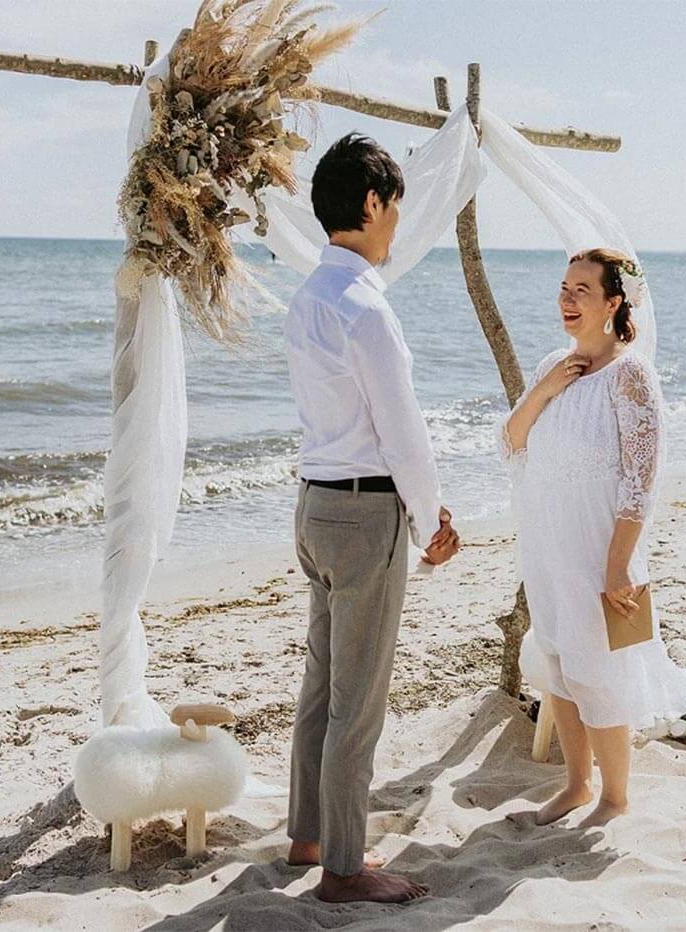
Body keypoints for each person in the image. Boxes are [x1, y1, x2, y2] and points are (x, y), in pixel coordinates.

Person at [283, 133, 459, 904]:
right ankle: (345, 869)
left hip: (315, 505)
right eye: (395, 207)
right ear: (371, 203)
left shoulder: (307, 298)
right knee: (359, 699)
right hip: (363, 513)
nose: (398, 225)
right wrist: (430, 519)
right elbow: (402, 430)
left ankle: (308, 833)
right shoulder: (364, 308)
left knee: (323, 683)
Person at [500, 248, 686, 829]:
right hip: (548, 545)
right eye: (563, 286)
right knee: (559, 664)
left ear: (614, 302)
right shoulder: (551, 367)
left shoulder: (631, 375)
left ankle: (615, 796)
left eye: (582, 289)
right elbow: (512, 441)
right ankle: (576, 784)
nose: (567, 298)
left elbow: (641, 480)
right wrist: (546, 389)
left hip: (598, 551)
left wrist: (620, 565)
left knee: (598, 671)